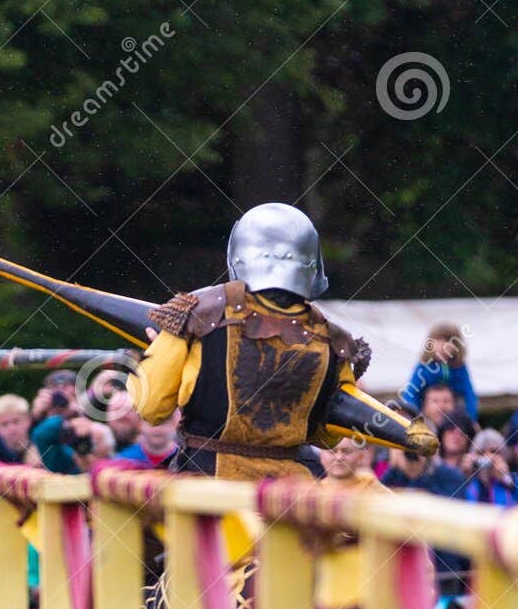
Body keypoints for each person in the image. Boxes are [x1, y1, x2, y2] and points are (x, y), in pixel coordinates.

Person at [128, 204, 433, 479]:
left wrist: (152, 358)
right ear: (311, 262)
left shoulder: (196, 313)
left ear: (239, 255)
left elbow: (150, 407)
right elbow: (324, 437)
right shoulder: (330, 339)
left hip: (209, 496)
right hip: (288, 499)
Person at [399, 322, 477, 420]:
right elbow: (410, 393)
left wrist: (470, 419)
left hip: (452, 417)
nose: (443, 345)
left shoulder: (459, 367)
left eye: (448, 341)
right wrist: (413, 416)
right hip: (425, 417)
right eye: (438, 340)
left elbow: (469, 394)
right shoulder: (424, 365)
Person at [0, 394, 33, 462]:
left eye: (16, 421)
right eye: (4, 424)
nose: (11, 429)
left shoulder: (42, 448)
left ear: (28, 420)